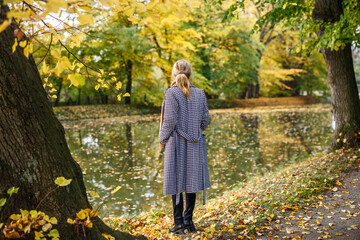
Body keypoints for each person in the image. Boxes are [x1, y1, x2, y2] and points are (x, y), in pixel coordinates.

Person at [159, 59, 211, 234]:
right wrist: (196, 130)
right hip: (195, 143)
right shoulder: (200, 93)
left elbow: (170, 121)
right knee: (191, 182)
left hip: (176, 143)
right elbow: (206, 120)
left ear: (174, 73)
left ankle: (179, 223)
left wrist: (161, 139)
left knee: (176, 182)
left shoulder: (171, 93)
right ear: (190, 73)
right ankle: (189, 221)